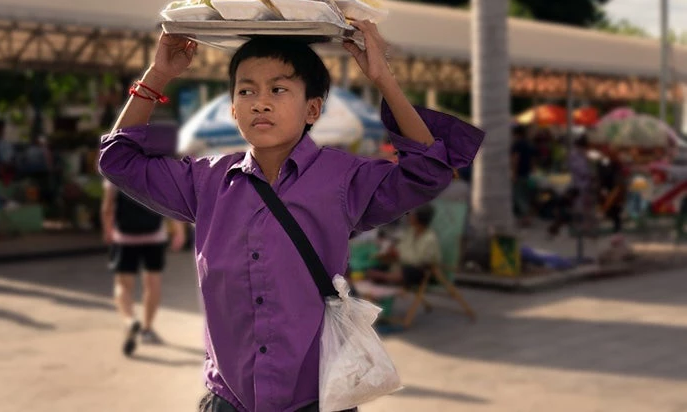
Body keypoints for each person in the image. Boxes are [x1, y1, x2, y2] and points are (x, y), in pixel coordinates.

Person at [98, 23, 483, 412]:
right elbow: (118, 161)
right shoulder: (205, 181)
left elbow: (427, 171)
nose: (260, 102)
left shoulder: (342, 179)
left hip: (316, 400)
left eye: (278, 90)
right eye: (246, 91)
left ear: (312, 108)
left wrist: (383, 76)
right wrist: (158, 74)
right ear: (233, 108)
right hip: (230, 401)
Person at [101, 179, 186, 356]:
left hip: (124, 236)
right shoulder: (155, 169)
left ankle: (129, 320)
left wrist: (108, 230)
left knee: (123, 284)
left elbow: (108, 207)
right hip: (154, 236)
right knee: (152, 282)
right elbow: (169, 204)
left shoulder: (115, 170)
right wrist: (178, 230)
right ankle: (147, 330)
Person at [366, 205, 439, 288]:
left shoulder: (430, 238)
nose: (409, 217)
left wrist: (399, 255)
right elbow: (400, 249)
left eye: (412, 215)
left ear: (419, 218)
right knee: (378, 266)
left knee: (408, 271)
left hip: (422, 272)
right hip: (402, 265)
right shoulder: (410, 232)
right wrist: (392, 253)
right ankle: (384, 276)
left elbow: (422, 261)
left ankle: (384, 276)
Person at [510, 125, 535, 226]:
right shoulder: (528, 144)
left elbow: (516, 159)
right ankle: (527, 218)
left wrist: (514, 173)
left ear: (516, 134)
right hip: (527, 173)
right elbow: (533, 159)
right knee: (525, 195)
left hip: (519, 173)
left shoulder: (517, 144)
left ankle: (526, 219)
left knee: (519, 196)